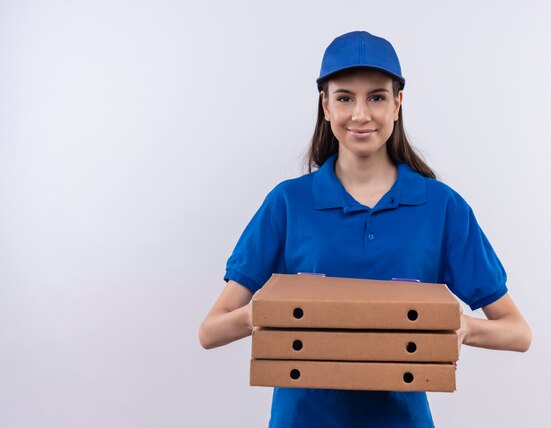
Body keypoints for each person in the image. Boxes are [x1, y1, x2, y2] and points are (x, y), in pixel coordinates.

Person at [198, 30, 532, 428]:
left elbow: (517, 332)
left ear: (398, 103)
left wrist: (459, 328)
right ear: (325, 105)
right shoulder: (288, 203)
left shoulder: (441, 207)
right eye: (344, 98)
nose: (360, 114)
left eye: (376, 97)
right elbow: (210, 331)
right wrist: (264, 315)